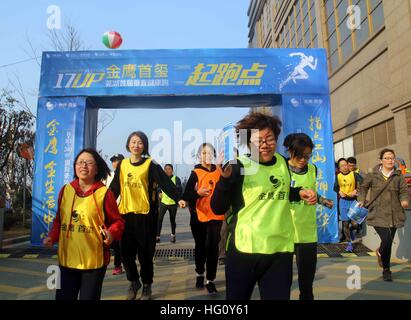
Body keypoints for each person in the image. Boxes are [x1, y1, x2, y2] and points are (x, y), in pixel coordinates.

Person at [211, 112, 317, 300]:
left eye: (269, 138)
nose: (265, 145)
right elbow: (217, 207)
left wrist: (299, 192)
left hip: (279, 251)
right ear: (247, 142)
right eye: (258, 140)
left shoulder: (284, 164)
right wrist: (224, 180)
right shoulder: (238, 166)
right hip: (245, 250)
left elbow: (279, 190)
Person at [109, 131, 185, 300]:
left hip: (146, 217)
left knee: (145, 256)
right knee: (126, 255)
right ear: (128, 144)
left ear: (144, 146)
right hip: (126, 216)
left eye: (140, 142)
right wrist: (103, 206)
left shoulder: (151, 164)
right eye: (133, 142)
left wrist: (178, 197)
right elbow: (114, 188)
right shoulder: (122, 165)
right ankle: (134, 282)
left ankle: (147, 285)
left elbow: (165, 183)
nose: (136, 145)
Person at [43, 148, 124, 300]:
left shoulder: (104, 194)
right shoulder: (66, 191)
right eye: (80, 162)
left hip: (93, 263)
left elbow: (117, 221)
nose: (84, 166)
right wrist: (52, 237)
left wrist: (111, 233)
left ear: (97, 168)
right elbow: (59, 220)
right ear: (75, 166)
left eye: (89, 163)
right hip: (67, 260)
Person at [283, 133, 333, 300]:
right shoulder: (280, 169)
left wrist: (322, 200)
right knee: (283, 281)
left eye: (307, 156)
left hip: (307, 232)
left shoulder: (313, 169)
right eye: (299, 156)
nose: (303, 160)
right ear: (290, 151)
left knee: (306, 281)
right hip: (284, 232)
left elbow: (312, 191)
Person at [357, 148, 409, 281]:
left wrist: (404, 200)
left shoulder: (398, 176)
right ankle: (387, 269)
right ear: (381, 160)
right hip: (377, 213)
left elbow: (403, 190)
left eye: (392, 157)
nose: (390, 160)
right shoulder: (373, 175)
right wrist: (361, 200)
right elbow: (363, 188)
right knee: (386, 239)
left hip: (394, 213)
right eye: (387, 158)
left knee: (389, 242)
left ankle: (381, 254)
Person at [183, 143, 224, 295]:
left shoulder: (218, 170)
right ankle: (199, 273)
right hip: (198, 216)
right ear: (199, 155)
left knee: (212, 248)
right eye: (204, 153)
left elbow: (226, 188)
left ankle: (210, 280)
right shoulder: (196, 173)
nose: (207, 155)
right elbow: (186, 195)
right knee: (200, 247)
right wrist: (198, 193)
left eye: (210, 153)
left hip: (215, 216)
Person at [333, 158, 362, 252]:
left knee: (355, 223)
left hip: (353, 201)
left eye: (345, 165)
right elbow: (335, 188)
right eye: (342, 166)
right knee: (345, 223)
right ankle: (350, 244)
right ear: (339, 168)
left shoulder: (354, 174)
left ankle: (353, 234)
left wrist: (356, 190)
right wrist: (339, 192)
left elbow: (364, 183)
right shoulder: (338, 176)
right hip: (343, 201)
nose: (344, 167)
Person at [106, 154, 125, 276]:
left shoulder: (126, 175)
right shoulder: (107, 176)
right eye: (113, 161)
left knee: (123, 240)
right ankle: (118, 265)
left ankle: (122, 262)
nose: (115, 163)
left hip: (125, 211)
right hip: (112, 212)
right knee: (116, 239)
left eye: (118, 161)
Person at [156, 164, 182, 243]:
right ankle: (157, 236)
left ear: (172, 170)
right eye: (166, 169)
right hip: (164, 203)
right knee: (159, 220)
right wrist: (159, 192)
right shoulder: (162, 179)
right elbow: (158, 187)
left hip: (173, 204)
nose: (167, 170)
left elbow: (179, 190)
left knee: (172, 220)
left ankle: (173, 235)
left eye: (169, 169)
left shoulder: (176, 179)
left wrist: (179, 199)